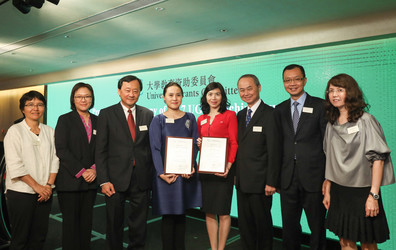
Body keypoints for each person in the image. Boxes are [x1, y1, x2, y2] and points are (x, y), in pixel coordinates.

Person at [322, 73, 395, 250]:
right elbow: (331, 158)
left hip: (362, 192)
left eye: (340, 90)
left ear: (351, 92)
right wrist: (329, 187)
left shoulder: (366, 121)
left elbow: (378, 159)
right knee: (344, 242)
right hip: (339, 191)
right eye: (331, 90)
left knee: (368, 243)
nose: (335, 94)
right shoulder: (331, 123)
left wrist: (373, 196)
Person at [96, 75, 154, 250]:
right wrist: (104, 180)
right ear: (119, 91)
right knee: (114, 223)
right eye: (127, 90)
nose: (131, 94)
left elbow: (150, 147)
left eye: (135, 91)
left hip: (141, 177)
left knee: (139, 223)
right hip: (114, 178)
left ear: (140, 93)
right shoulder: (106, 113)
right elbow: (100, 150)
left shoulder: (147, 114)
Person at [275, 64, 326, 250]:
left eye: (296, 79)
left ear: (304, 80)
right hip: (288, 179)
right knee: (289, 228)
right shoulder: (279, 110)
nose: (292, 83)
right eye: (288, 80)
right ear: (283, 83)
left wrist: (327, 178)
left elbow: (327, 144)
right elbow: (278, 146)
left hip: (314, 178)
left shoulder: (321, 106)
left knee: (317, 227)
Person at [149, 82, 202, 250]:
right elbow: (155, 149)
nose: (174, 98)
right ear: (164, 97)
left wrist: (190, 167)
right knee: (168, 217)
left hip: (185, 176)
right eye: (170, 95)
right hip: (166, 176)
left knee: (181, 216)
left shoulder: (190, 118)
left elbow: (194, 145)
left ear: (182, 97)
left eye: (178, 94)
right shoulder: (158, 120)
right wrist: (161, 172)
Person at [4, 90, 59, 250]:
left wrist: (48, 186)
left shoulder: (49, 131)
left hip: (45, 192)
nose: (35, 108)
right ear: (23, 109)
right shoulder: (15, 131)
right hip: (21, 192)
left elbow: (55, 159)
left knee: (39, 237)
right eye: (30, 105)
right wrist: (38, 187)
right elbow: (16, 165)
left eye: (40, 105)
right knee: (20, 239)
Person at [235, 74, 281, 250]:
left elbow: (274, 151)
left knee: (262, 227)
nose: (246, 93)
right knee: (245, 227)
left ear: (259, 88)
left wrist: (271, 181)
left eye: (249, 88)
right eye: (241, 90)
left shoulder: (271, 114)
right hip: (242, 182)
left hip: (262, 184)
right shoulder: (240, 115)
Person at [55, 82, 98, 250]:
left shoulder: (98, 120)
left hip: (91, 182)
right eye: (79, 96)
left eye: (87, 96)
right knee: (71, 227)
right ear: (73, 99)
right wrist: (81, 171)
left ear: (92, 98)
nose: (83, 100)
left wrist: (94, 169)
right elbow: (62, 149)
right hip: (70, 181)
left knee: (86, 226)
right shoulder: (65, 119)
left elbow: (102, 149)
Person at [196, 82, 238, 250]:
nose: (214, 98)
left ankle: (221, 248)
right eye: (210, 94)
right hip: (206, 171)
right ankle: (213, 248)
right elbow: (201, 143)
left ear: (222, 96)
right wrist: (199, 143)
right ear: (205, 97)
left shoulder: (229, 115)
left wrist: (228, 167)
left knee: (223, 212)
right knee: (209, 211)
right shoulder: (201, 118)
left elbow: (234, 143)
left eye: (217, 94)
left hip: (223, 171)